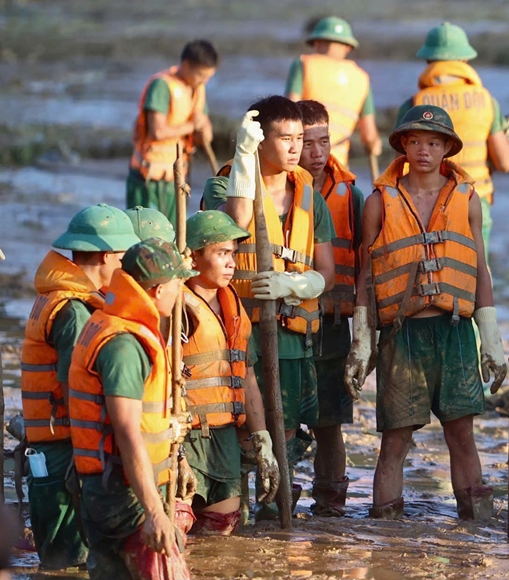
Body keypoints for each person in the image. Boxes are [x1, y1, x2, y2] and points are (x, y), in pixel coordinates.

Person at [345, 104, 508, 520]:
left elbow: (479, 268)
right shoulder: (381, 201)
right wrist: (361, 344)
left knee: (462, 434)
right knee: (395, 440)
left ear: (447, 149)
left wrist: (490, 339)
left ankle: (477, 522)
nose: (423, 150)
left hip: (454, 334)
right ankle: (385, 525)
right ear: (402, 145)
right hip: (402, 336)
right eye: (415, 141)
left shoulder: (468, 199)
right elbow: (366, 274)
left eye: (433, 143)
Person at [202, 95, 336, 517]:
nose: (296, 148)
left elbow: (327, 272)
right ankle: (236, 509)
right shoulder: (224, 182)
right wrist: (242, 156)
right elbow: (236, 224)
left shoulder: (309, 194)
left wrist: (296, 282)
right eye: (285, 138)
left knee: (288, 429)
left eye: (300, 138)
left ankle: (278, 507)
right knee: (242, 425)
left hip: (292, 332)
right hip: (241, 328)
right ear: (259, 140)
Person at [68, 238, 198, 578]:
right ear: (156, 291)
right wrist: (154, 510)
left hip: (110, 487)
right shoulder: (124, 347)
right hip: (122, 495)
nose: (180, 290)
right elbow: (127, 433)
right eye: (176, 282)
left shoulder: (115, 321)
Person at [20, 204, 140, 570]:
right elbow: (76, 388)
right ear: (105, 256)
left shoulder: (55, 295)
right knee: (68, 566)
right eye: (123, 257)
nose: (126, 268)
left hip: (50, 447)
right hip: (63, 452)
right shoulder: (72, 311)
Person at [174, 210, 280, 535]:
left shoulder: (234, 307)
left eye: (233, 254)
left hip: (224, 438)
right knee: (177, 528)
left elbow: (246, 378)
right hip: (186, 437)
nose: (232, 262)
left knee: (222, 531)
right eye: (222, 254)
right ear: (193, 257)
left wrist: (262, 440)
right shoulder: (175, 306)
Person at [397, 22, 509, 258]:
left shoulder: (414, 105)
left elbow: (400, 166)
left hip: (424, 205)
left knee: (428, 276)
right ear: (465, 62)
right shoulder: (486, 101)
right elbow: (505, 162)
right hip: (475, 200)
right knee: (475, 276)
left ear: (429, 61)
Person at [295, 100, 366, 516]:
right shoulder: (278, 189)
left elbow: (364, 264)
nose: (318, 153)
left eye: (325, 142)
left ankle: (331, 505)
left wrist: (364, 335)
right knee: (278, 419)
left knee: (328, 424)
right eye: (308, 143)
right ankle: (278, 501)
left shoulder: (351, 195)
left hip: (332, 323)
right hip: (287, 322)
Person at [128, 39, 219, 229]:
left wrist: (204, 130)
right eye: (201, 75)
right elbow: (158, 130)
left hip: (176, 177)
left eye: (208, 77)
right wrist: (193, 125)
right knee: (146, 235)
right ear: (186, 66)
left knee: (173, 234)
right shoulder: (162, 86)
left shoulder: (198, 89)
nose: (204, 81)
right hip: (150, 178)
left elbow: (205, 134)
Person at [285, 17, 381, 167]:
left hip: (304, 159)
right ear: (348, 47)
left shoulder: (304, 64)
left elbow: (289, 114)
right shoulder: (362, 77)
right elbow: (369, 136)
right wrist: (374, 146)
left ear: (317, 42)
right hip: (337, 165)